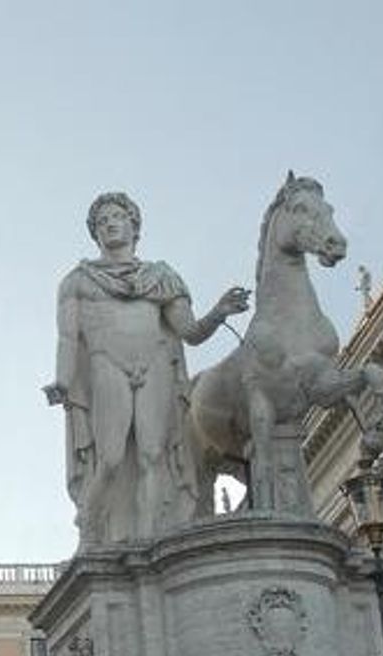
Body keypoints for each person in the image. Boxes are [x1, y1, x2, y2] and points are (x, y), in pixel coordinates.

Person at [46, 192, 249, 546]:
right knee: (109, 458)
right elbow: (67, 337)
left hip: (155, 363)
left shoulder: (161, 277)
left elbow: (190, 332)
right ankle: (90, 531)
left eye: (117, 217)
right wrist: (62, 381)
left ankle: (149, 541)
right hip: (106, 363)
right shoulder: (78, 281)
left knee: (153, 456)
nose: (110, 224)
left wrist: (219, 312)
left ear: (134, 226)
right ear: (95, 233)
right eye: (102, 221)